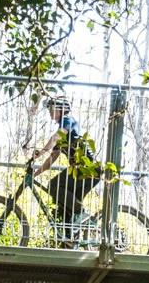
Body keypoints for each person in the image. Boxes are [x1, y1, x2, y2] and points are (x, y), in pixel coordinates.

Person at [21, 92, 103, 246]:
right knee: (63, 206)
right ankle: (70, 241)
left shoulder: (67, 121)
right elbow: (52, 159)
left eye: (51, 108)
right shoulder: (63, 131)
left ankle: (81, 214)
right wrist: (35, 174)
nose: (50, 111)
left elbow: (55, 138)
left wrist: (39, 153)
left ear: (61, 108)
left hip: (88, 169)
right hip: (83, 171)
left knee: (54, 186)